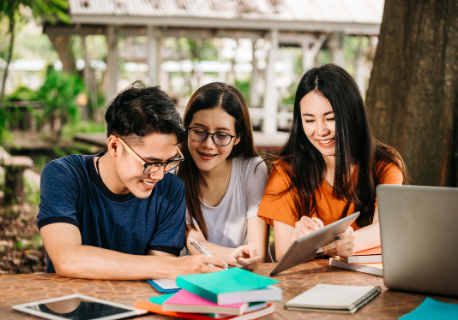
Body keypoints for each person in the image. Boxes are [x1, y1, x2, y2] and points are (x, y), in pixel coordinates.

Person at [37, 82, 227, 280]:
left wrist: (172, 266)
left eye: (168, 162)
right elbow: (67, 259)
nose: (159, 175)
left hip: (138, 305)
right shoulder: (64, 175)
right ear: (114, 147)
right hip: (71, 304)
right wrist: (176, 266)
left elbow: (160, 275)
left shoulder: (171, 190)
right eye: (150, 163)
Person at [257, 64, 408, 260]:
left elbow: (384, 229)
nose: (320, 131)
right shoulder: (286, 172)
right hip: (310, 283)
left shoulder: (384, 165)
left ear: (352, 116)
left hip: (367, 279)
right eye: (309, 120)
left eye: (331, 118)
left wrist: (326, 243)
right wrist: (300, 239)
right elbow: (284, 254)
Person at [177, 82, 269, 271]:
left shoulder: (252, 169)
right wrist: (232, 256)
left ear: (237, 137)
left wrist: (249, 257)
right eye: (199, 131)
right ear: (186, 128)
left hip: (242, 278)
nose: (208, 144)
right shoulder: (174, 173)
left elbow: (257, 249)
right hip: (195, 278)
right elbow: (194, 242)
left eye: (221, 135)